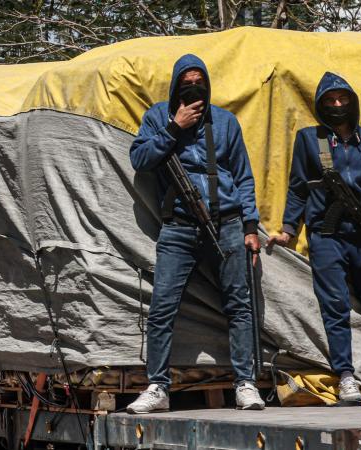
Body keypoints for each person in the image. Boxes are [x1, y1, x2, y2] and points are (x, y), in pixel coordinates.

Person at [267, 72, 361, 402]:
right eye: (330, 101)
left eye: (343, 99)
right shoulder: (312, 140)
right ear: (321, 106)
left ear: (352, 102)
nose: (337, 105)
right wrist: (289, 230)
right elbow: (298, 189)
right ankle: (346, 376)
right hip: (327, 237)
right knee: (334, 309)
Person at [127, 54, 265, 412]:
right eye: (186, 82)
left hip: (228, 223)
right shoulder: (158, 116)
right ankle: (158, 386)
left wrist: (251, 226)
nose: (193, 87)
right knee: (161, 308)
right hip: (179, 227)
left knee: (239, 306)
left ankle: (246, 383)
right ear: (176, 86)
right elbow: (140, 159)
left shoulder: (225, 122)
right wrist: (175, 127)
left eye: (198, 81)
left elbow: (243, 176)